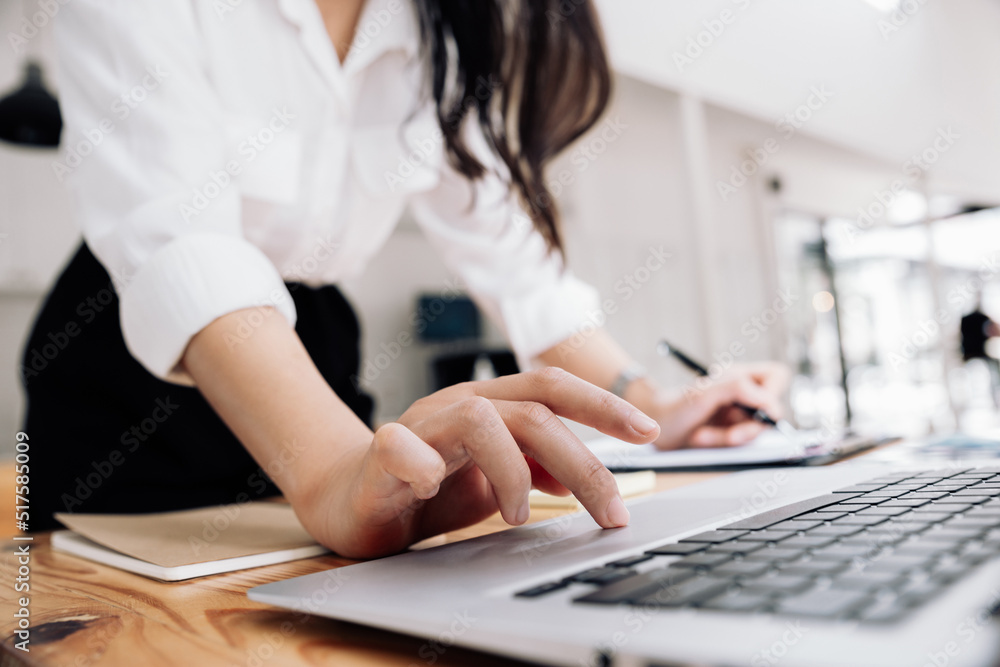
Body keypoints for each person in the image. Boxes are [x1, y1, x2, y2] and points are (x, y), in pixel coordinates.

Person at [24, 0, 788, 558]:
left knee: (322, 589)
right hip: (136, 356)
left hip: (314, 346)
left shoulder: (437, 31)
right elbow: (180, 240)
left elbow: (518, 263)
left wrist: (648, 403)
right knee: (121, 601)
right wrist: (330, 473)